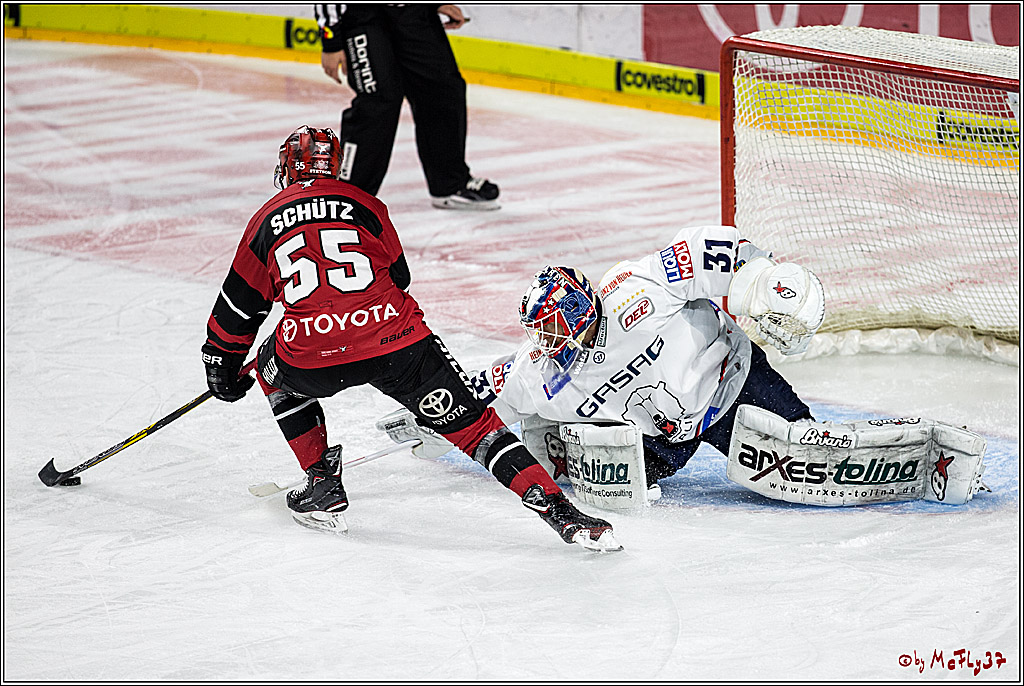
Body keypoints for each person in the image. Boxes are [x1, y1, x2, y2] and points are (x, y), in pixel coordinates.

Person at [200, 125, 618, 551]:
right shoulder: (365, 203)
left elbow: (239, 308)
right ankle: (563, 513)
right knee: (475, 428)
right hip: (398, 344)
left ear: (287, 168)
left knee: (274, 371)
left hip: (311, 354)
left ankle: (322, 482)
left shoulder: (265, 220)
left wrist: (222, 362)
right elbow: (400, 275)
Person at [469, 226, 827, 490]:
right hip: (662, 439)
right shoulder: (540, 370)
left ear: (577, 314)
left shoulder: (634, 289)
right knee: (611, 473)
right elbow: (478, 397)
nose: (545, 341)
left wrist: (761, 280)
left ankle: (806, 433)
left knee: (807, 454)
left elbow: (696, 252)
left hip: (731, 380)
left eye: (550, 328)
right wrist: (430, 413)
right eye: (539, 331)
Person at [313, 4, 499, 210]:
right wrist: (331, 38)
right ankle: (349, 196)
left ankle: (450, 185)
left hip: (414, 11)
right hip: (362, 14)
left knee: (442, 88)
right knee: (379, 99)